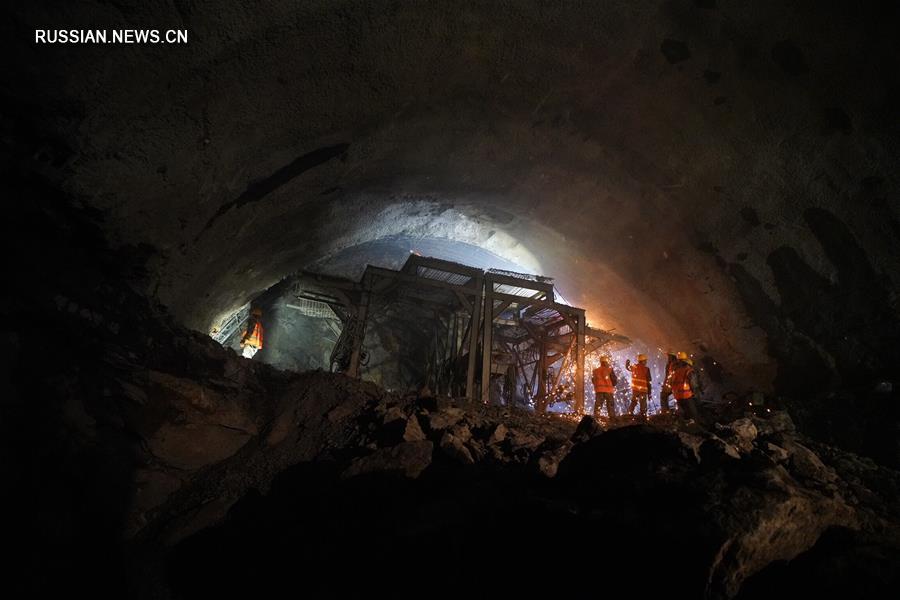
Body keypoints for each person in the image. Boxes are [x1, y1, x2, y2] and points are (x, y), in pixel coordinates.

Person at [669, 351, 700, 421]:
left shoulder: (675, 371)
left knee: (683, 413)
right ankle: (694, 426)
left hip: (677, 395)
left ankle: (684, 425)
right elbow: (693, 384)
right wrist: (695, 393)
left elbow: (671, 383)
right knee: (693, 413)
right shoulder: (688, 371)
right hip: (686, 395)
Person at [625, 354, 651, 418]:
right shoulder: (646, 369)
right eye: (645, 361)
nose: (646, 362)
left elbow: (627, 367)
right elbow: (649, 381)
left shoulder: (634, 367)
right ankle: (643, 417)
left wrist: (627, 363)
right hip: (643, 390)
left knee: (633, 402)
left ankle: (629, 415)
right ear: (643, 361)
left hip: (635, 390)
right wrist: (649, 393)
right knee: (643, 405)